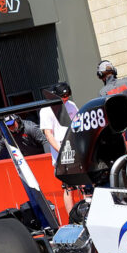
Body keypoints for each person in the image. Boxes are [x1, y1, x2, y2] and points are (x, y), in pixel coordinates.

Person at [39, 82, 80, 215]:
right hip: (61, 153)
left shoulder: (71, 105)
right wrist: (61, 151)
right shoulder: (46, 110)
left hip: (76, 149)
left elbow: (78, 124)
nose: (66, 99)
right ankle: (72, 217)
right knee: (68, 188)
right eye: (63, 96)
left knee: (84, 184)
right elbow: (48, 134)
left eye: (67, 96)